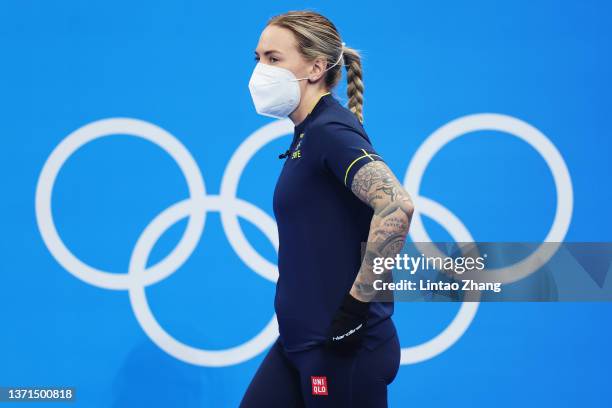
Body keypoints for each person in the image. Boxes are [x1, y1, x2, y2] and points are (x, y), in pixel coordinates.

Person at [240, 10, 414, 408]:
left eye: (274, 58)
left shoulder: (330, 132)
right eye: (258, 58)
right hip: (299, 344)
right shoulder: (308, 135)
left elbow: (397, 206)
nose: (260, 70)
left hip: (343, 351)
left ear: (316, 67)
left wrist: (355, 307)